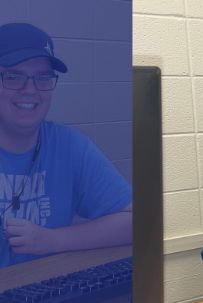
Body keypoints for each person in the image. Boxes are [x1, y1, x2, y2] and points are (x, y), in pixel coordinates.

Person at [0, 23, 132, 267]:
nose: (30, 90)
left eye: (42, 78)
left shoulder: (69, 146)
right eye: (13, 76)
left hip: (44, 294)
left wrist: (52, 240)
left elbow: (135, 221)